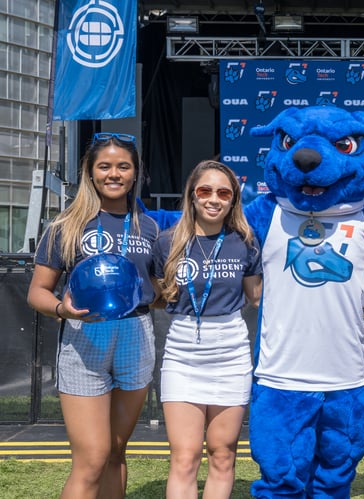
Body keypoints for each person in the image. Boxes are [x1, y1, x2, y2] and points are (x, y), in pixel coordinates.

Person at [27, 132, 159, 499]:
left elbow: (155, 290)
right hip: (86, 336)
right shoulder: (66, 225)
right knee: (92, 457)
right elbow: (37, 291)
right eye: (104, 166)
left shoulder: (148, 226)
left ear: (135, 173)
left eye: (123, 166)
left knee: (117, 452)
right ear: (90, 171)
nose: (113, 174)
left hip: (137, 333)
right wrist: (61, 309)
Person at [152, 160, 262, 498]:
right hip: (183, 354)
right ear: (192, 195)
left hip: (231, 354)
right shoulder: (167, 242)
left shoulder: (244, 241)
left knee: (223, 455)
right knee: (184, 458)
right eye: (205, 190)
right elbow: (159, 296)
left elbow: (256, 297)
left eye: (223, 193)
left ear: (233, 200)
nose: (214, 199)